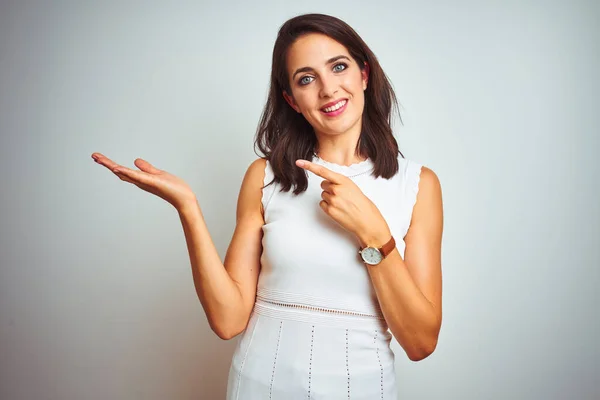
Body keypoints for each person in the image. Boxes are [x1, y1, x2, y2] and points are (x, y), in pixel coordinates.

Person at [91, 13, 443, 399]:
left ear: (364, 74)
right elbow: (228, 320)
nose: (327, 89)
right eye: (306, 79)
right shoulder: (264, 176)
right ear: (292, 100)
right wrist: (187, 208)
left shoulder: (418, 185)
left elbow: (420, 342)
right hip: (260, 384)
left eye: (338, 67)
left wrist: (373, 232)